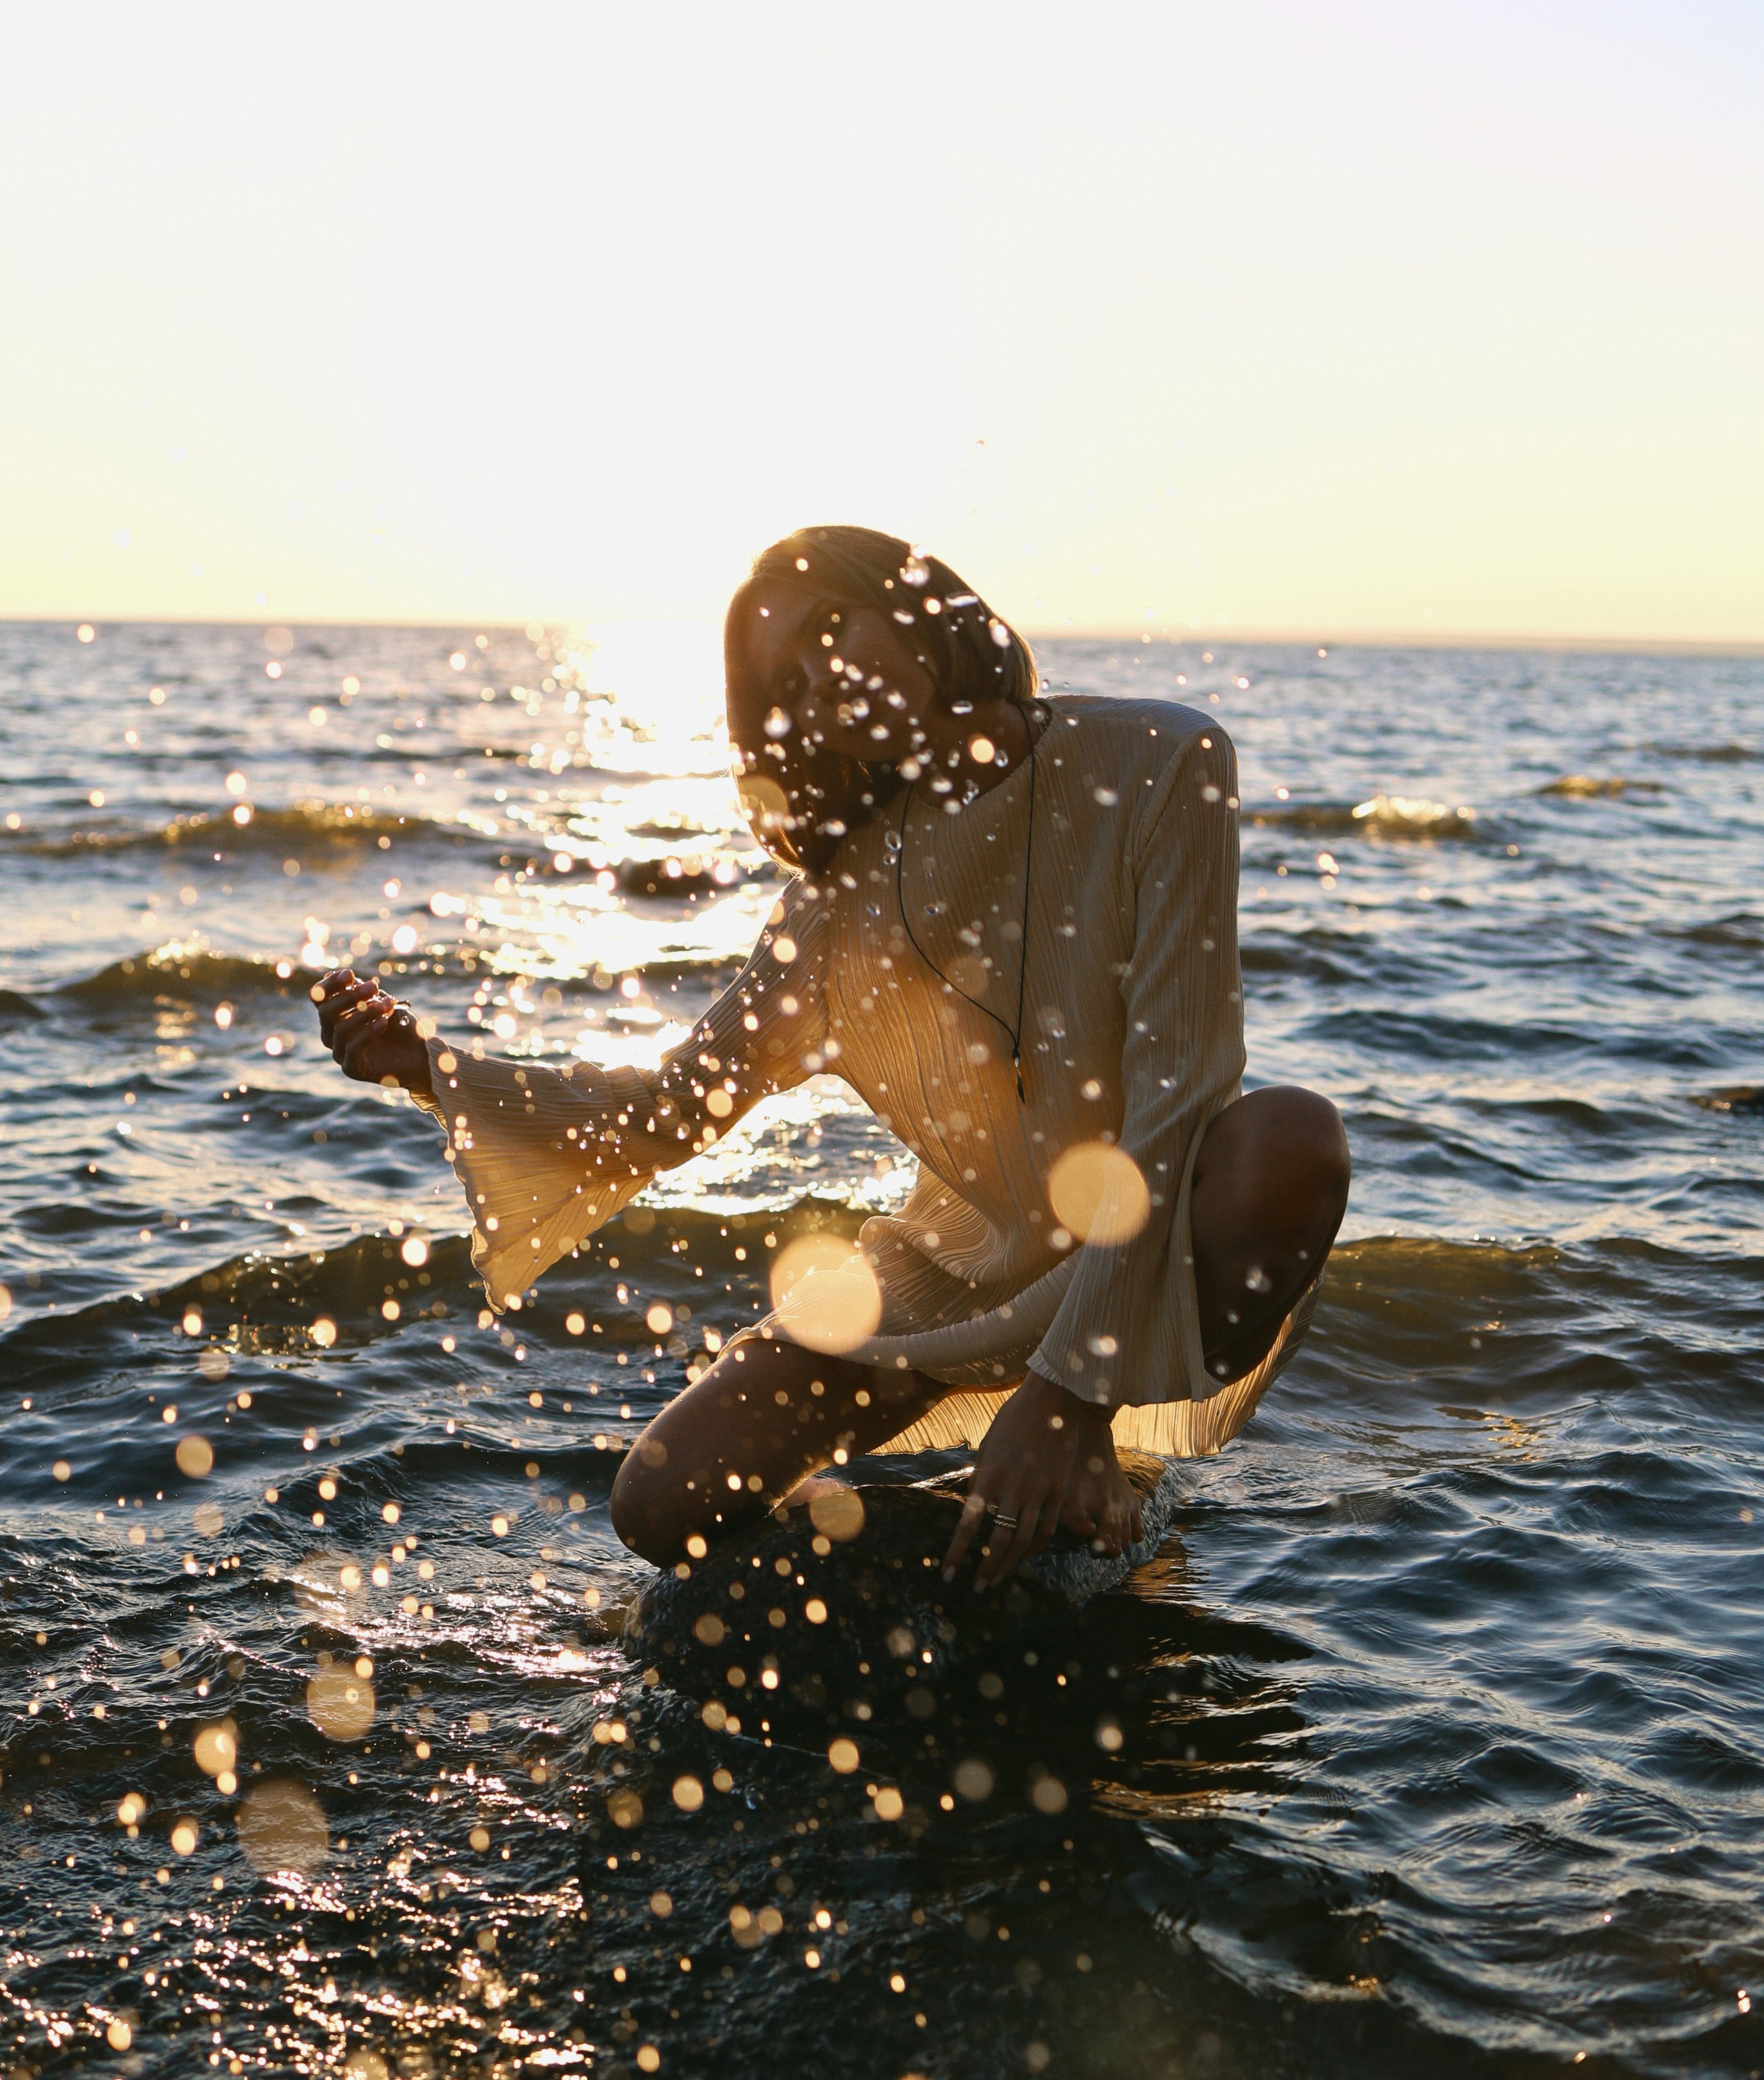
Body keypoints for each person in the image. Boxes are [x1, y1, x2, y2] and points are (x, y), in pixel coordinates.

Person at [314, 525, 1348, 1591]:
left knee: (1289, 1137)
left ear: (910, 603)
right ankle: (969, 1510)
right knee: (663, 1503)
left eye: (828, 631)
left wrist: (1072, 1394)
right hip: (959, 1278)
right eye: (789, 688)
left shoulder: (1164, 759)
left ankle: (1083, 1453)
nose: (823, 685)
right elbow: (665, 1111)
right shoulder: (833, 906)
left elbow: (1180, 1097)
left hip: (1159, 1242)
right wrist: (427, 1067)